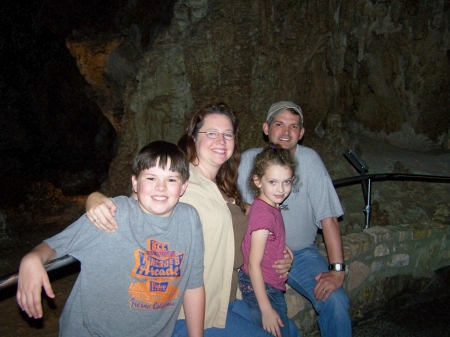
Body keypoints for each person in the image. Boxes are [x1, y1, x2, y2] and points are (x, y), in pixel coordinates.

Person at [84, 103, 300, 337]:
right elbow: (136, 202)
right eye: (212, 133)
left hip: (227, 296)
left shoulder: (224, 188)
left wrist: (275, 247)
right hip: (190, 312)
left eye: (228, 135)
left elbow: (243, 222)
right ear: (194, 138)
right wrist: (94, 198)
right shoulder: (181, 179)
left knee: (291, 331)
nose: (221, 140)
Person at [16, 141, 205, 337]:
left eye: (171, 180)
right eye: (151, 177)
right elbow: (55, 245)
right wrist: (33, 258)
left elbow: (193, 284)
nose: (161, 187)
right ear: (134, 183)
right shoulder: (113, 213)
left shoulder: (189, 219)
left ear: (183, 187)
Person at [237, 101, 351, 337]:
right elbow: (224, 201)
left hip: (301, 254)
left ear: (301, 133)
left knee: (336, 300)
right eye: (279, 124)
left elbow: (328, 218)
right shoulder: (248, 161)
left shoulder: (309, 161)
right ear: (266, 128)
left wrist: (337, 270)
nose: (286, 132)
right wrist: (245, 206)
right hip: (258, 258)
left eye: (293, 126)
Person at [238, 144, 296, 337]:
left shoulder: (269, 204)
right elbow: (253, 264)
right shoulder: (265, 215)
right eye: (272, 182)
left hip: (267, 284)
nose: (280, 189)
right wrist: (266, 309)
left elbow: (267, 238)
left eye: (286, 182)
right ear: (258, 181)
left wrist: (282, 247)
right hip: (263, 288)